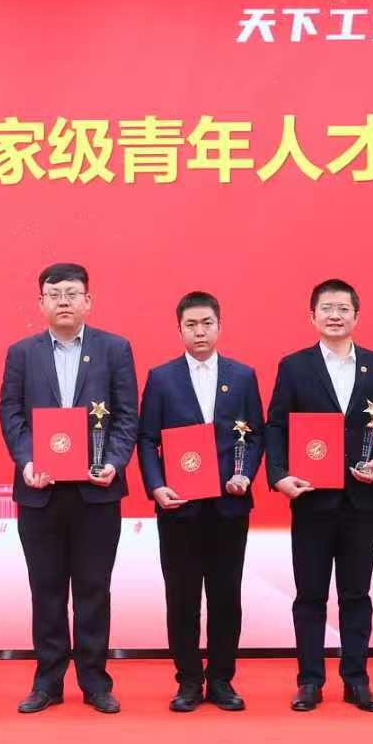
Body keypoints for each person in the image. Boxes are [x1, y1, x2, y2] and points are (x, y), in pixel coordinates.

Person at [0, 263, 139, 714]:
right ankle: (48, 681)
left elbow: (127, 415)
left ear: (88, 301)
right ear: (40, 303)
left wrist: (113, 462)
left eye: (72, 293)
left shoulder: (115, 349)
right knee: (47, 590)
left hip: (97, 492)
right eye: (53, 293)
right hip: (41, 492)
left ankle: (95, 681)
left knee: (94, 589)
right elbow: (10, 414)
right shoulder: (22, 353)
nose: (63, 301)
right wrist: (28, 462)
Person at [265, 279, 373, 713]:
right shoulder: (295, 366)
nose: (335, 315)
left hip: (361, 500)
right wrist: (279, 476)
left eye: (343, 308)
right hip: (311, 499)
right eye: (326, 308)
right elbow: (276, 425)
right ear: (312, 316)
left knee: (356, 595)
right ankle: (310, 681)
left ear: (356, 316)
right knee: (310, 594)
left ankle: (356, 680)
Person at [137, 290, 264, 712]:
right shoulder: (161, 378)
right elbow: (147, 438)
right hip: (179, 507)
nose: (199, 331)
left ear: (220, 326)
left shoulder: (242, 376)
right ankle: (189, 680)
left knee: (227, 595)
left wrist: (246, 474)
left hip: (229, 505)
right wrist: (156, 486)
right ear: (179, 330)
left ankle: (222, 679)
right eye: (191, 325)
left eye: (207, 323)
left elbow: (256, 434)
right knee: (183, 597)